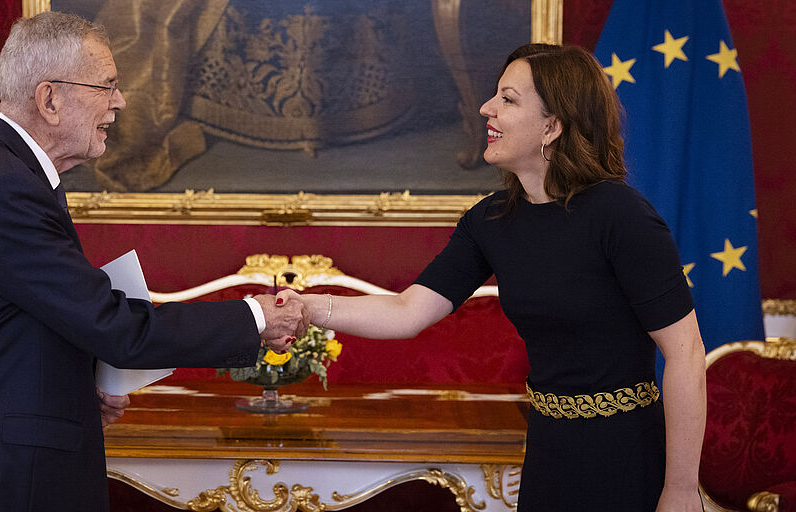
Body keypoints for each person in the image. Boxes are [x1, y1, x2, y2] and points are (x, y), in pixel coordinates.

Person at [280, 44, 706, 511]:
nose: (486, 108)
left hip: (628, 453)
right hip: (549, 448)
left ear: (552, 126)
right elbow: (407, 311)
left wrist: (681, 489)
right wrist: (309, 306)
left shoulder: (621, 216)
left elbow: (684, 352)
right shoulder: (490, 221)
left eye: (508, 98)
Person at [0, 12, 307, 512]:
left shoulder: (8, 173)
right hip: (2, 480)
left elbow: (31, 321)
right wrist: (254, 319)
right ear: (50, 99)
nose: (119, 102)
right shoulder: (6, 189)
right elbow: (112, 324)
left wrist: (78, 383)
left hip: (11, 465)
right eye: (107, 87)